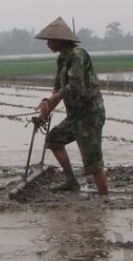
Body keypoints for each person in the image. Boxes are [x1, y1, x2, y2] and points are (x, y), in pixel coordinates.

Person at [33, 17, 108, 195]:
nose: (47, 44)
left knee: (93, 160)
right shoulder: (62, 60)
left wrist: (51, 100)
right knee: (53, 139)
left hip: (89, 114)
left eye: (50, 40)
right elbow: (58, 89)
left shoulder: (78, 55)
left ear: (60, 40)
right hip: (75, 115)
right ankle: (71, 181)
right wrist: (45, 111)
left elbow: (74, 86)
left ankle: (105, 198)